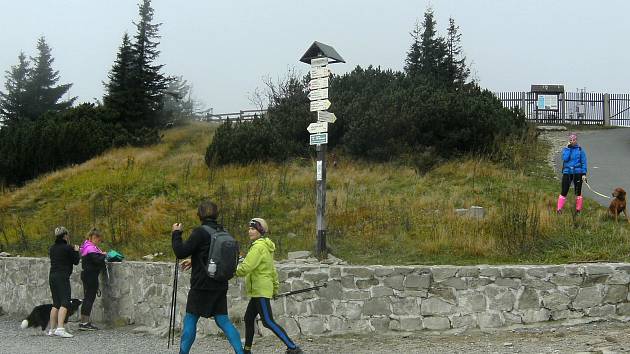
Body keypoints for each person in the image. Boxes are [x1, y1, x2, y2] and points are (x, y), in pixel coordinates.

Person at [171, 199, 244, 354]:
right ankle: (240, 352)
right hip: (220, 283)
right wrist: (194, 260)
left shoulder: (200, 232)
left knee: (191, 318)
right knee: (223, 320)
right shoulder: (223, 231)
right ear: (216, 215)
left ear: (199, 215)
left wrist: (176, 233)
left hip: (201, 285)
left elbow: (180, 252)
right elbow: (211, 254)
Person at [236, 218, 303, 354]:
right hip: (258, 290)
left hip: (260, 290)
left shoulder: (258, 247)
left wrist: (231, 270)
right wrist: (275, 288)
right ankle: (247, 350)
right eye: (249, 228)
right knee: (249, 318)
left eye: (253, 229)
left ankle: (293, 348)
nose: (250, 231)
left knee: (267, 321)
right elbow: (272, 270)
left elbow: (246, 267)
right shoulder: (265, 246)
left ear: (260, 231)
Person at [48, 226, 80, 338]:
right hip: (62, 276)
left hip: (52, 276)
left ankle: (52, 329)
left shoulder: (52, 248)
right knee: (65, 302)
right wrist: (76, 251)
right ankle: (60, 328)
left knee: (56, 303)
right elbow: (76, 261)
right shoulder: (68, 248)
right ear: (65, 235)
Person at [78, 228, 107, 331]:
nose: (98, 241)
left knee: (88, 298)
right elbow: (97, 261)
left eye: (99, 239)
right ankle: (84, 323)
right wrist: (104, 256)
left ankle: (83, 321)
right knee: (89, 299)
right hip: (90, 275)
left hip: (88, 275)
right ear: (92, 238)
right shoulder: (90, 248)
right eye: (97, 239)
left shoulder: (86, 246)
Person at [557, 132, 588, 214]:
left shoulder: (580, 150)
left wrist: (584, 174)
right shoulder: (566, 149)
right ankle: (559, 209)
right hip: (567, 172)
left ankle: (578, 210)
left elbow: (584, 163)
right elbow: (565, 159)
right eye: (570, 140)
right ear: (568, 141)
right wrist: (568, 149)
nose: (572, 141)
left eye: (574, 140)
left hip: (578, 172)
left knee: (578, 191)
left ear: (576, 140)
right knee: (564, 190)